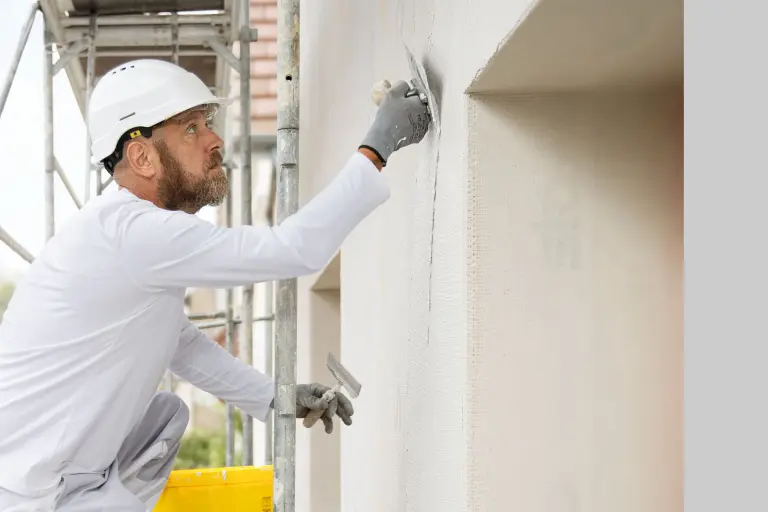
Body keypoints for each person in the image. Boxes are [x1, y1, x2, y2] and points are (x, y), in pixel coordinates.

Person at [0, 59, 430, 511]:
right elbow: (292, 250)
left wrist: (273, 397)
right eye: (190, 128)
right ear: (141, 157)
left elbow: (180, 343)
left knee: (166, 416)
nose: (214, 140)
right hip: (26, 493)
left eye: (207, 123)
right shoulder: (132, 233)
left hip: (65, 481)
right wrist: (376, 148)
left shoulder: (125, 237)